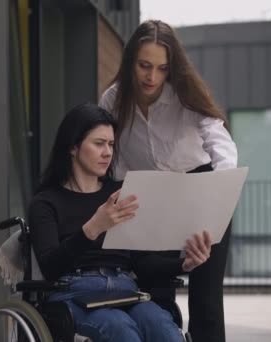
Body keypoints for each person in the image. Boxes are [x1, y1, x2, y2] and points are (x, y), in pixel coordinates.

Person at [99, 20, 238, 342]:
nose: (152, 77)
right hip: (148, 195)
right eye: (144, 65)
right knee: (152, 290)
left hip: (200, 190)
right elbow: (111, 155)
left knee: (205, 297)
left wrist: (220, 191)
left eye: (162, 68)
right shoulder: (113, 99)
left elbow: (220, 142)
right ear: (130, 60)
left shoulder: (185, 94)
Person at [28, 103, 212, 342]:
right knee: (122, 331)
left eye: (111, 144)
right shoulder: (46, 202)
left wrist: (184, 265)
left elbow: (141, 262)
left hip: (125, 290)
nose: (107, 152)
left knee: (165, 330)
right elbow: (51, 267)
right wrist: (93, 228)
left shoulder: (120, 194)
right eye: (99, 143)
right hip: (72, 292)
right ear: (73, 147)